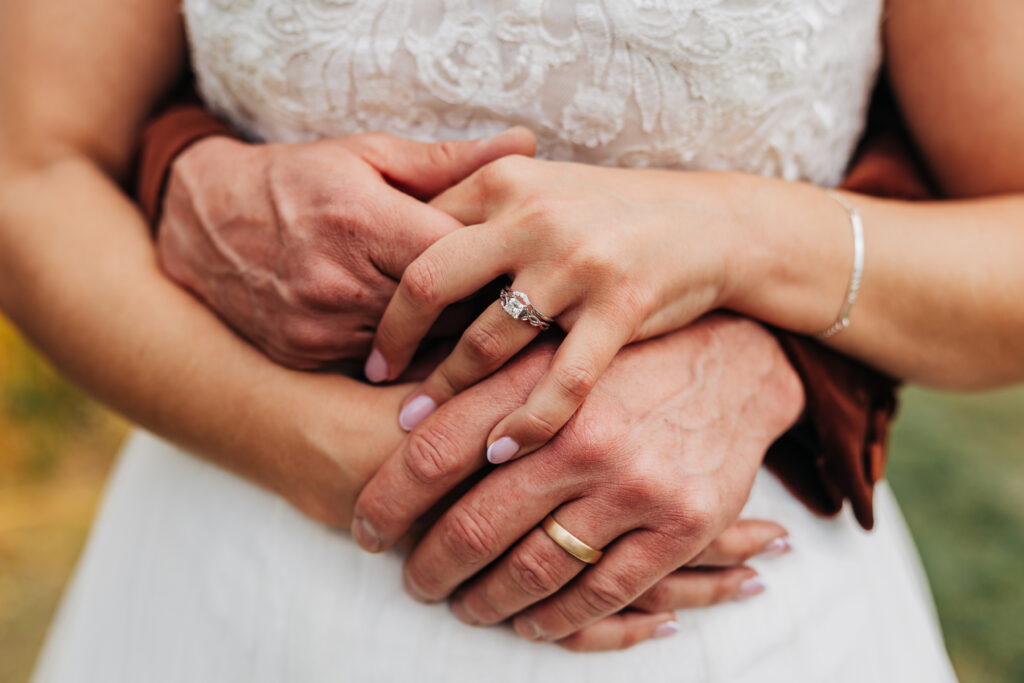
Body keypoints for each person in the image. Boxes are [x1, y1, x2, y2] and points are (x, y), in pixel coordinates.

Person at [7, 0, 1015, 680]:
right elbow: (29, 166)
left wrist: (745, 254)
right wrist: (312, 446)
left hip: (709, 608)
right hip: (229, 570)